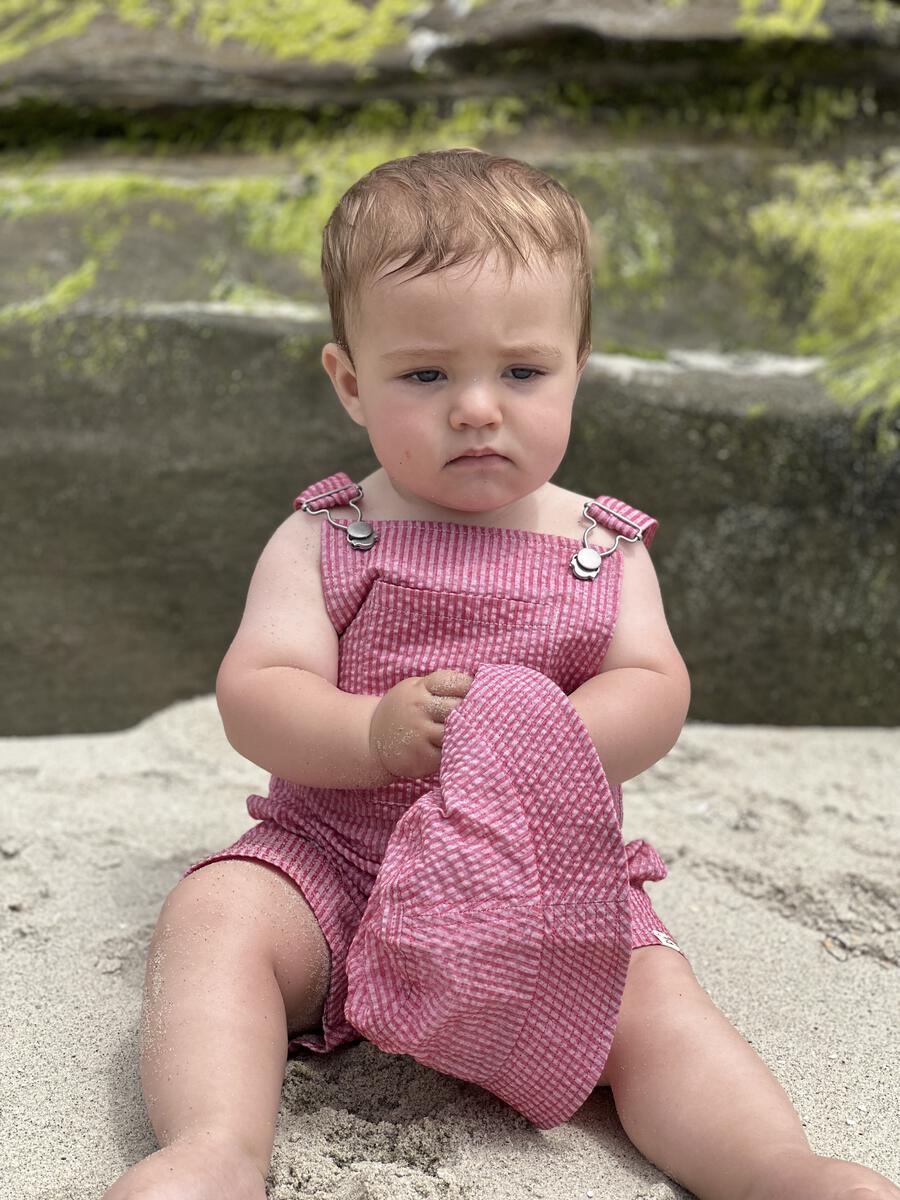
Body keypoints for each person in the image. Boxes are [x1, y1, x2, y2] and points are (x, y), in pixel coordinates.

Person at [103, 149, 898, 1200]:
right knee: (217, 918)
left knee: (652, 1000)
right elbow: (258, 691)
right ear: (351, 382)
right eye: (426, 375)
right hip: (335, 861)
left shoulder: (602, 548)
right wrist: (369, 735)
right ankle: (214, 1147)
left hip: (539, 878)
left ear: (577, 368)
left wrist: (550, 738)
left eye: (522, 373)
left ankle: (770, 1166)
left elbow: (654, 688)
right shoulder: (328, 535)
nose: (477, 407)